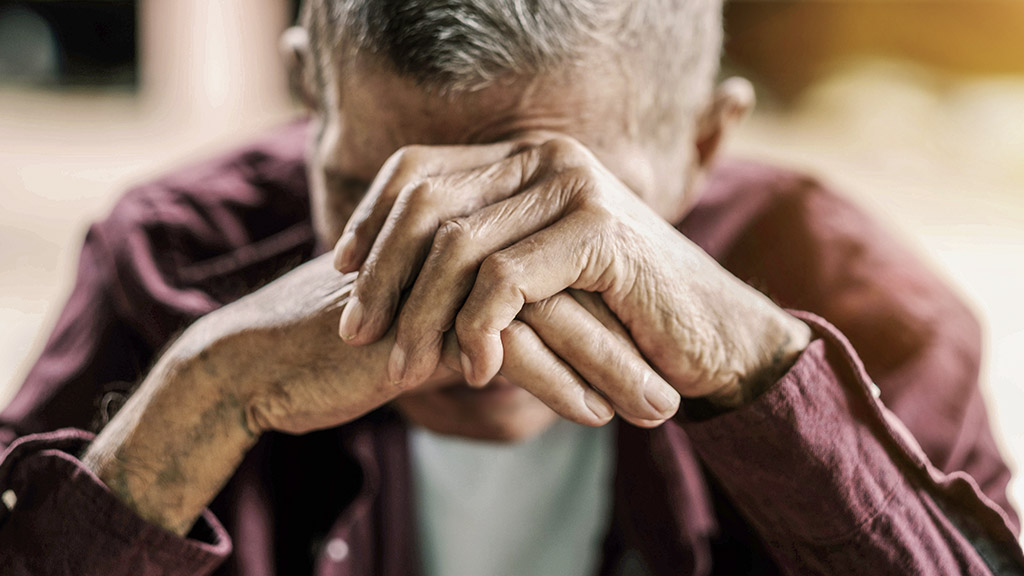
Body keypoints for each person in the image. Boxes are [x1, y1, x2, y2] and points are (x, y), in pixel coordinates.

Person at [1, 0, 1022, 574]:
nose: (469, 323)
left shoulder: (865, 305)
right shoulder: (172, 261)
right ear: (309, 96)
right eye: (371, 202)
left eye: (556, 221)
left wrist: (758, 376)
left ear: (705, 143)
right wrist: (205, 396)